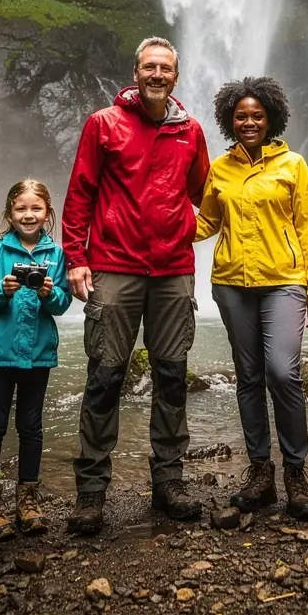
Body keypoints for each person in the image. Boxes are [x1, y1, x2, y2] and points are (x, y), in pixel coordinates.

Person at [62, 36, 210, 534]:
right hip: (115, 267)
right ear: (135, 71)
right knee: (105, 376)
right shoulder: (103, 124)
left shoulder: (191, 131)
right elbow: (80, 190)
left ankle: (168, 482)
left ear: (175, 75)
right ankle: (91, 493)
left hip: (172, 271)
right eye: (149, 66)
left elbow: (207, 193)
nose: (156, 74)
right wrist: (75, 259)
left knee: (171, 376)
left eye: (165, 67)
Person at [195, 76, 308, 521]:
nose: (249, 122)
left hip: (284, 280)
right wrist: (157, 222)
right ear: (230, 121)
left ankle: (296, 471)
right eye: (241, 116)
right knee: (248, 376)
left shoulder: (293, 165)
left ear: (271, 119)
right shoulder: (220, 168)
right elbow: (206, 223)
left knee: (283, 373)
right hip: (232, 282)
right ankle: (260, 472)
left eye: (257, 115)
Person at [0, 178, 72, 540]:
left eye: (36, 209)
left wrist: (48, 292)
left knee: (31, 427)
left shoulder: (55, 254)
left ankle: (28, 500)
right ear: (10, 213)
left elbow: (63, 304)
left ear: (47, 213)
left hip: (37, 355)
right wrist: (1, 289)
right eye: (21, 209)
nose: (28, 215)